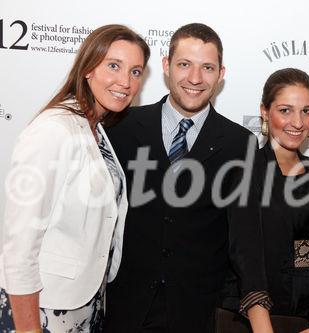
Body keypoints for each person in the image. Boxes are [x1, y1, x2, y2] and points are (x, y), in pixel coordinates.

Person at [103, 23, 256, 332]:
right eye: (184, 64)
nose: (195, 79)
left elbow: (244, 239)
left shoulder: (240, 143)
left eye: (207, 67)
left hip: (195, 313)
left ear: (221, 73)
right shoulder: (121, 127)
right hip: (122, 307)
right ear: (166, 66)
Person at [0, 24, 150, 332]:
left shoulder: (95, 128)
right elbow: (20, 245)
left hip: (84, 303)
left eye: (136, 72)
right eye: (113, 66)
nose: (125, 81)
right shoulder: (54, 129)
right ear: (87, 68)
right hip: (44, 307)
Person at [220, 68, 309, 333]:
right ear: (265, 112)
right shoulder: (246, 170)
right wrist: (263, 328)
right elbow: (246, 256)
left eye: (306, 110)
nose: (298, 122)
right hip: (255, 322)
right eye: (285, 110)